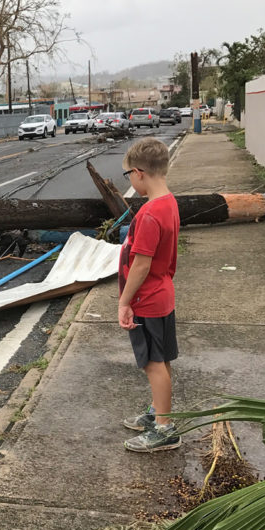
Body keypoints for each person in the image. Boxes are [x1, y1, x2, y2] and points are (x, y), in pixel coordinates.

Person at [118, 137, 180, 452]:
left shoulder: (150, 214)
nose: (129, 178)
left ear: (139, 172)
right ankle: (159, 411)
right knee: (162, 359)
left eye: (128, 173)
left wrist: (124, 301)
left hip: (148, 299)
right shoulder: (168, 203)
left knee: (153, 364)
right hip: (163, 294)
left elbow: (141, 266)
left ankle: (165, 429)